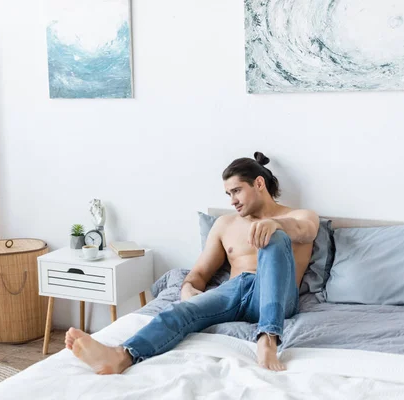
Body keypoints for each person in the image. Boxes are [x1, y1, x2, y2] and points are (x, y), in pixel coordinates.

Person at [65, 152, 319, 373]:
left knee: (274, 237)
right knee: (180, 311)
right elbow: (198, 273)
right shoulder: (225, 224)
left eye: (237, 190)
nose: (232, 200)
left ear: (259, 183)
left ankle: (268, 337)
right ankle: (121, 356)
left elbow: (304, 230)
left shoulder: (298, 216)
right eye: (228, 194)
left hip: (275, 298)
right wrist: (188, 289)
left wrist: (275, 224)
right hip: (234, 290)